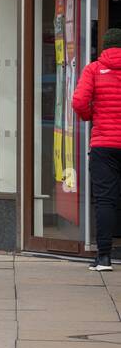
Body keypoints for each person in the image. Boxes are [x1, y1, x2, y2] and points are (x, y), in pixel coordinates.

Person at [73, 27, 121, 272]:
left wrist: (91, 115)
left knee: (105, 200)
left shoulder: (93, 69)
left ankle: (104, 257)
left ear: (104, 47)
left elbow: (79, 101)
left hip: (104, 144)